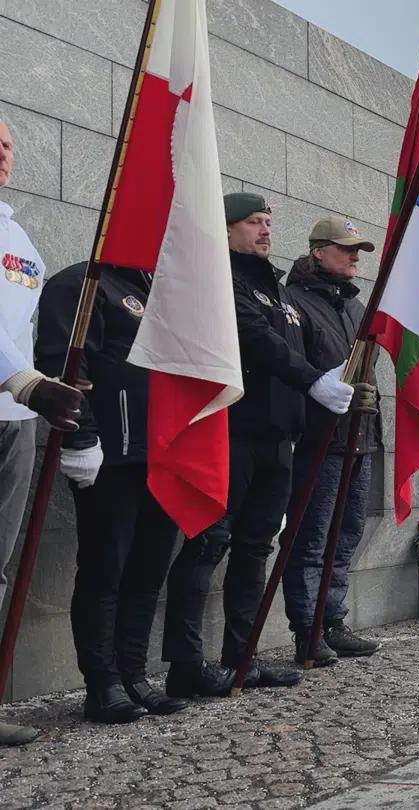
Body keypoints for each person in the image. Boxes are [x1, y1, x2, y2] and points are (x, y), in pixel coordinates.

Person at [163, 193, 357, 698]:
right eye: (254, 222)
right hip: (231, 434)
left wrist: (326, 381)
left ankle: (241, 656)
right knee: (207, 545)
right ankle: (185, 663)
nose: (266, 230)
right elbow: (257, 343)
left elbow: (292, 349)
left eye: (269, 221)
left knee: (255, 550)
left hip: (278, 439)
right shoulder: (219, 280)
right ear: (225, 229)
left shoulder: (275, 288)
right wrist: (314, 381)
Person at [36, 261, 187, 724]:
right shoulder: (84, 282)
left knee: (148, 568)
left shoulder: (162, 287)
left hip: (163, 452)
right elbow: (62, 365)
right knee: (106, 569)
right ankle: (102, 683)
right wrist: (81, 437)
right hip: (110, 455)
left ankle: (134, 674)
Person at [0, 118, 91, 745]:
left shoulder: (20, 242)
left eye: (7, 143)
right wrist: (24, 381)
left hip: (13, 421)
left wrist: (36, 392)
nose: (2, 153)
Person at [280, 216, 382, 667]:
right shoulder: (293, 302)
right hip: (318, 439)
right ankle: (308, 628)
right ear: (319, 252)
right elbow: (294, 372)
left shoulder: (355, 308)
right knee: (312, 536)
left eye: (358, 250)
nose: (355, 257)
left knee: (347, 533)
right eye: (346, 249)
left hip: (358, 437)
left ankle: (332, 618)